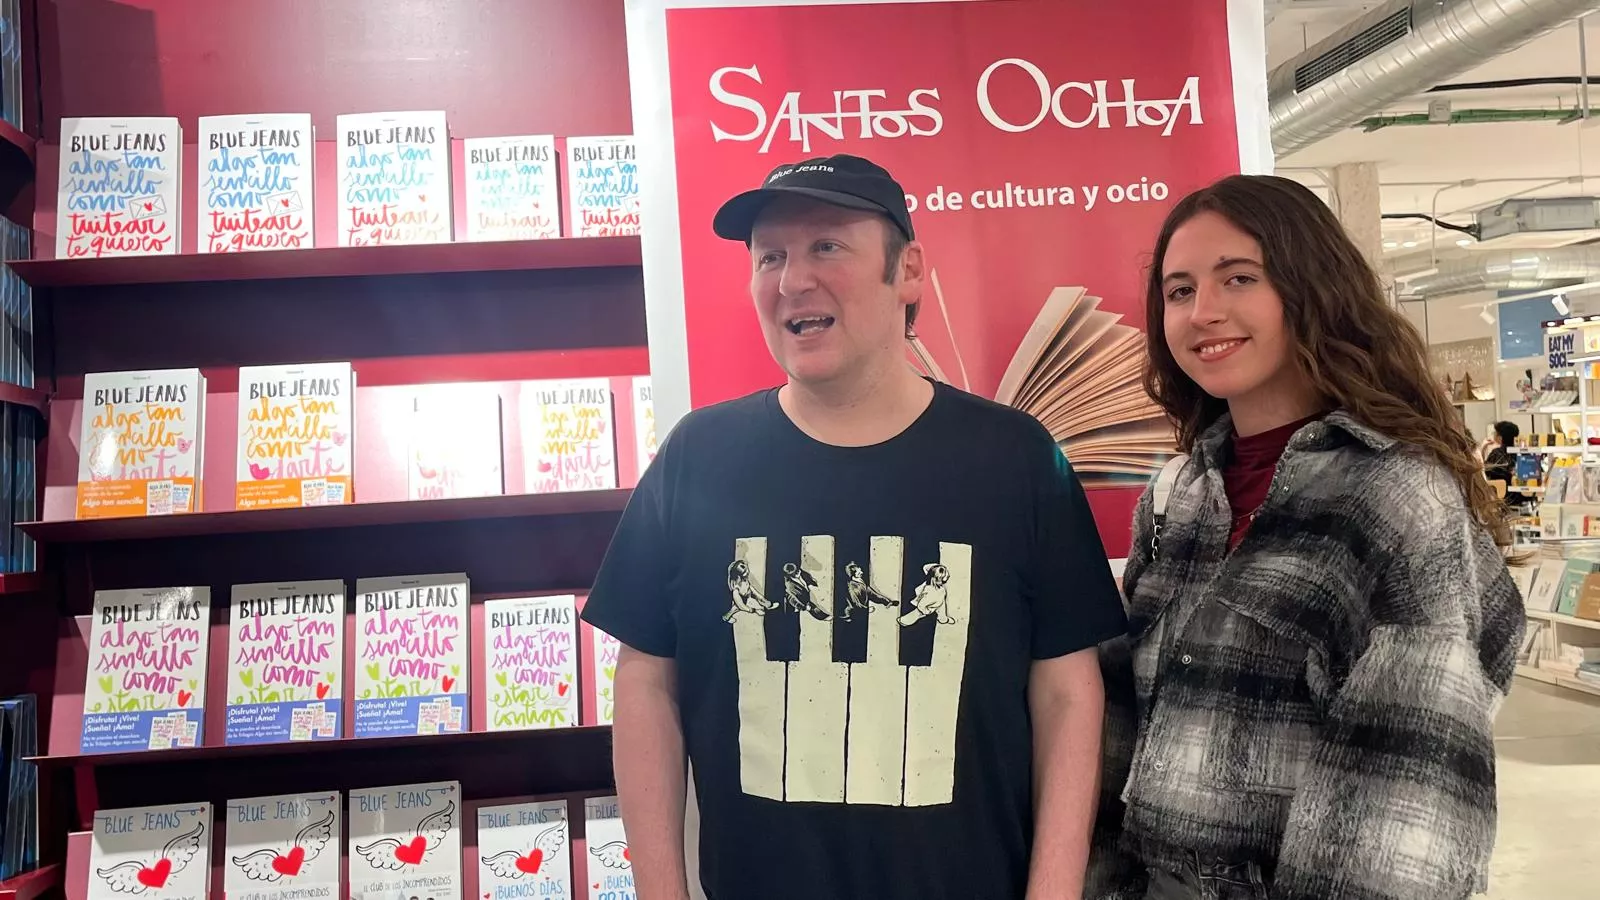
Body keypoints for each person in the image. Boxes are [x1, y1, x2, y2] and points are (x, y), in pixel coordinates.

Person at [580, 154, 1128, 900]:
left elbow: (1067, 690)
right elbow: (646, 682)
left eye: (827, 246)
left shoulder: (1015, 458)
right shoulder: (697, 458)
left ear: (907, 273)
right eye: (769, 256)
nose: (791, 280)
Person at [1087, 175, 1525, 900]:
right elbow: (1125, 734)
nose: (1204, 312)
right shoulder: (1180, 495)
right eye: (1180, 290)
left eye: (1239, 278)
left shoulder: (1392, 498)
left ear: (1310, 289)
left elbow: (1401, 803)